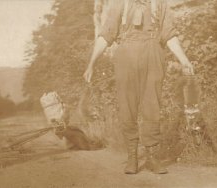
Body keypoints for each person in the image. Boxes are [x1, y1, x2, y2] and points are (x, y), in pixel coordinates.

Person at [83, 0, 194, 174]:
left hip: (153, 53)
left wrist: (184, 59)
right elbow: (106, 35)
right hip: (126, 54)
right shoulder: (120, 4)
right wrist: (91, 63)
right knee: (127, 106)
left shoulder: (159, 4)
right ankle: (132, 156)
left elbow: (170, 36)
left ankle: (152, 156)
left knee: (152, 107)